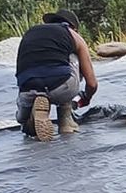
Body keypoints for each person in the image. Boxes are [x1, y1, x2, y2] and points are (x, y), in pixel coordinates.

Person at [14, 8, 98, 141]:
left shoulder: (30, 33)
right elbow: (92, 83)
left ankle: (26, 117)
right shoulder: (73, 35)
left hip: (27, 89)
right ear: (74, 28)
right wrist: (86, 97)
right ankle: (65, 119)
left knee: (23, 116)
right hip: (59, 87)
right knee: (73, 57)